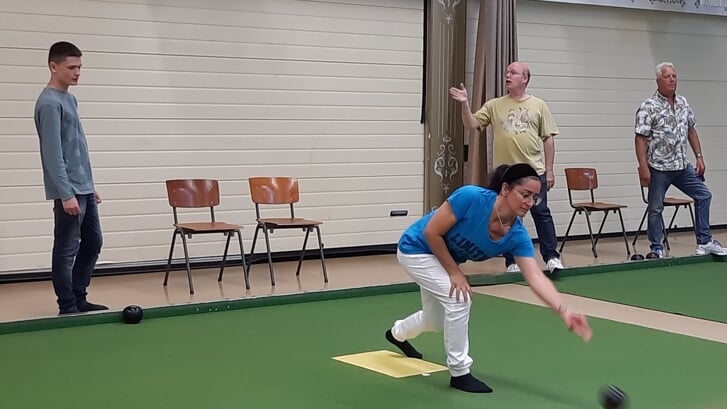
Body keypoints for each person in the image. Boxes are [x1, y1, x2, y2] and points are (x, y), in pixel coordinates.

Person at [385, 163, 592, 394]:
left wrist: (564, 310)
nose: (530, 203)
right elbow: (431, 232)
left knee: (434, 321)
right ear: (505, 189)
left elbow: (535, 277)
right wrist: (455, 272)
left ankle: (396, 333)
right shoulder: (471, 198)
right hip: (416, 249)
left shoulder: (517, 235)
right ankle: (460, 372)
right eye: (525, 195)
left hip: (440, 260)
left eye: (535, 197)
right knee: (459, 299)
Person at [449, 61, 564, 276]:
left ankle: (552, 258)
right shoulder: (494, 105)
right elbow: (472, 124)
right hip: (507, 173)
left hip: (533, 170)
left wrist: (549, 170)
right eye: (506, 72)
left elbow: (548, 138)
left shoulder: (538, 105)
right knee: (508, 216)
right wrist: (464, 104)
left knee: (541, 212)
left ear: (525, 79)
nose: (508, 75)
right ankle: (511, 261)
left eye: (513, 72)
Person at [34, 41, 108, 315]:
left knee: (93, 242)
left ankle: (79, 296)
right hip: (69, 192)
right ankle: (67, 306)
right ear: (54, 66)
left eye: (80, 67)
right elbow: (53, 154)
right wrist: (66, 193)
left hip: (83, 187)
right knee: (66, 249)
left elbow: (77, 146)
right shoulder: (49, 103)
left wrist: (89, 185)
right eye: (71, 67)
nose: (77, 72)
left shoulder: (70, 99)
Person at [634, 62, 727, 259]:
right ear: (658, 80)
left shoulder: (683, 103)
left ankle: (704, 242)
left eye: (674, 76)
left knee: (704, 195)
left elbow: (691, 129)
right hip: (658, 167)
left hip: (681, 165)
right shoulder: (648, 106)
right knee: (655, 207)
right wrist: (643, 167)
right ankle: (656, 248)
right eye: (667, 76)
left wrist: (699, 156)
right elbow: (640, 138)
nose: (672, 80)